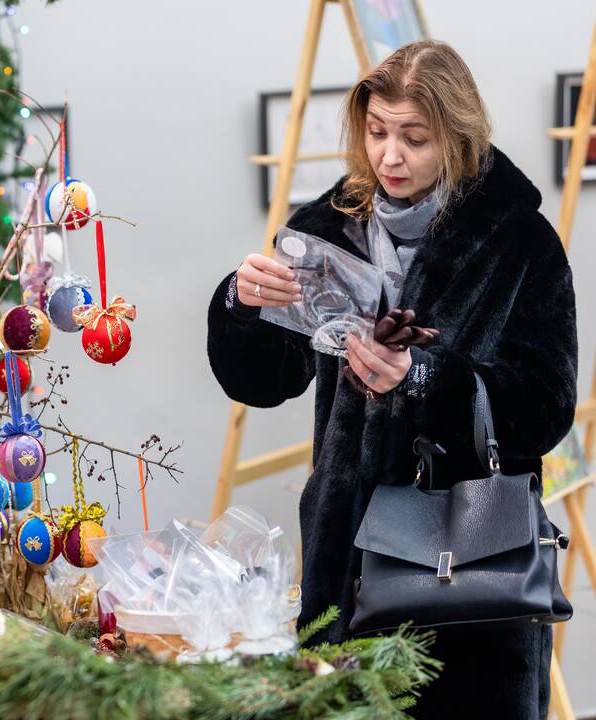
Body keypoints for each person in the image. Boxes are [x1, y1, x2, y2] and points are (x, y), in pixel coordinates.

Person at [207, 41, 577, 719]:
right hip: (345, 567)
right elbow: (263, 382)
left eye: (414, 138)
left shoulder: (519, 242)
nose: (389, 157)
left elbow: (547, 405)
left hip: (472, 576)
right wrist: (242, 305)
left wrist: (429, 378)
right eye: (377, 133)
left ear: (458, 138)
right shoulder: (326, 231)